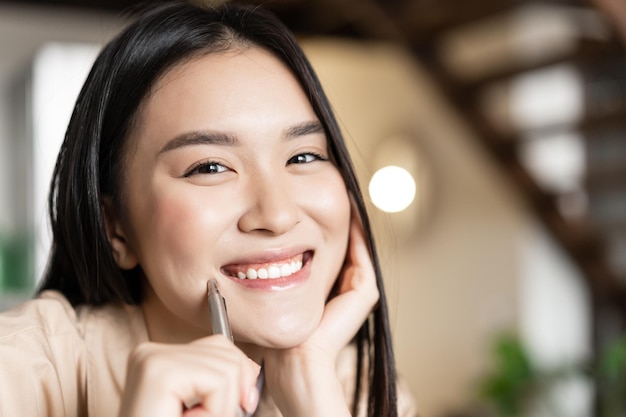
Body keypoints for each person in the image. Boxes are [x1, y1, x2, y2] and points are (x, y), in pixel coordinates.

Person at [0, 2, 417, 416]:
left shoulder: (352, 388)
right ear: (116, 227)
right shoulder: (20, 373)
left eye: (303, 156)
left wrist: (313, 391)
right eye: (210, 167)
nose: (277, 215)